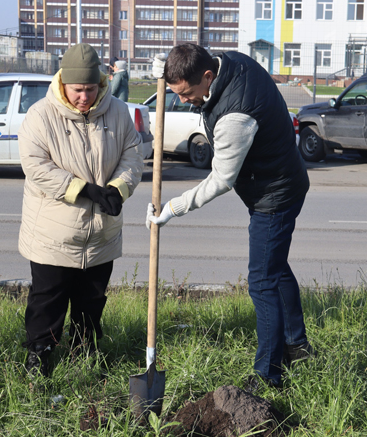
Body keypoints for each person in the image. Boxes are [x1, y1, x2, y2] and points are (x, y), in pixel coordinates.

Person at [146, 44, 313, 392]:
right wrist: (164, 68)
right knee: (275, 266)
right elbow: (187, 65)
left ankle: (268, 375)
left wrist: (172, 209)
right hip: (278, 179)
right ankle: (298, 345)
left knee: (262, 281)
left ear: (207, 77)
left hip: (275, 195)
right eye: (175, 93)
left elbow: (220, 180)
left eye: (186, 93)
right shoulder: (225, 62)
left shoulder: (236, 117)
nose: (182, 100)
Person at [18, 43, 144, 377]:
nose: (84, 98)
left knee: (91, 301)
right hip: (53, 233)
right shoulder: (41, 115)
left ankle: (84, 351)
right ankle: (38, 357)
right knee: (47, 301)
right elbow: (35, 166)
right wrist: (82, 189)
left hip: (102, 232)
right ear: (63, 84)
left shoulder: (117, 111)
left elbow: (133, 155)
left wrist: (119, 188)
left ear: (101, 83)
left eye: (90, 89)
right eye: (77, 90)